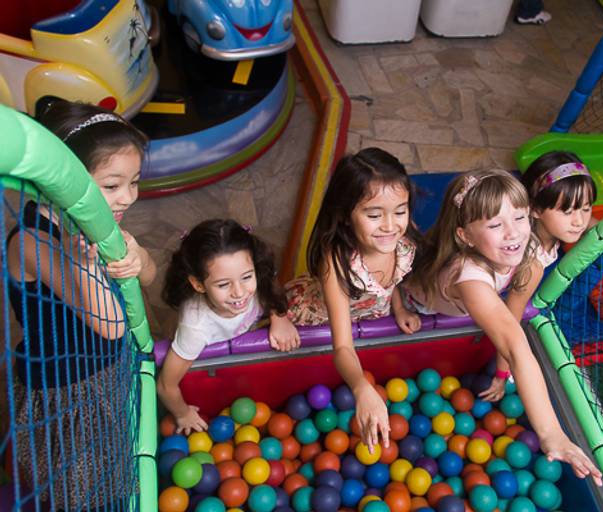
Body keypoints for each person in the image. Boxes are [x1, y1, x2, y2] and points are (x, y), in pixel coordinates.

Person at [403, 169, 603, 485]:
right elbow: (514, 343)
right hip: (416, 302)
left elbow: (572, 222)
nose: (513, 234)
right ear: (466, 236)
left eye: (520, 218)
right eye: (495, 225)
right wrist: (551, 433)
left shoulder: (526, 241)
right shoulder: (470, 279)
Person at [6, 100, 154, 509]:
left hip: (106, 372)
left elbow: (150, 276)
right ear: (65, 182)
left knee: (115, 466)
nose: (127, 198)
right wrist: (81, 261)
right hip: (65, 392)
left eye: (134, 182)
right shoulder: (33, 242)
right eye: (111, 186)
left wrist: (139, 256)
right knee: (81, 492)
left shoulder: (97, 223)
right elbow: (110, 322)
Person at [285, 147, 421, 452]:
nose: (390, 225)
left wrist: (398, 306)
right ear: (346, 215)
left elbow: (393, 279)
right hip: (313, 316)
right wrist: (362, 387)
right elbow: (343, 346)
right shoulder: (337, 263)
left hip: (367, 314)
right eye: (374, 215)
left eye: (400, 211)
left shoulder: (401, 244)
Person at [158, 219, 299, 434]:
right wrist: (182, 413)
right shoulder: (195, 329)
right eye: (223, 284)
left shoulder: (258, 277)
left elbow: (270, 287)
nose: (239, 292)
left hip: (249, 330)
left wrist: (280, 317)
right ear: (198, 284)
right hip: (216, 341)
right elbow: (166, 385)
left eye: (247, 277)